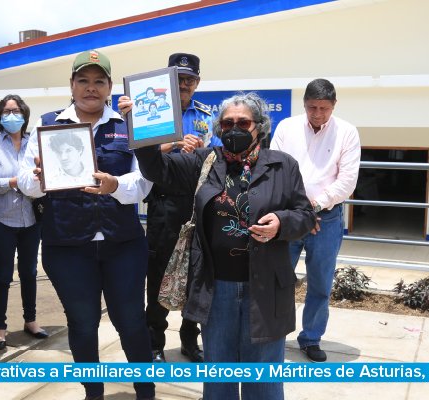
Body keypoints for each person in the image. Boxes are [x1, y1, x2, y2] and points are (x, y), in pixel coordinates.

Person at [136, 92, 315, 399]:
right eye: (227, 123)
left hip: (266, 289)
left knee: (265, 378)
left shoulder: (283, 166)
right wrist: (142, 126)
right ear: (218, 128)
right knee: (219, 376)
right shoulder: (203, 161)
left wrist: (281, 223)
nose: (234, 129)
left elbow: (305, 216)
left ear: (259, 126)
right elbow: (156, 169)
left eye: (242, 122)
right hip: (215, 289)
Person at [17, 49, 155, 400]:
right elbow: (26, 183)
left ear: (110, 86)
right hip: (67, 245)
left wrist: (115, 186)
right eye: (83, 80)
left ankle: (145, 390)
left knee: (131, 321)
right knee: (81, 323)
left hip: (122, 243)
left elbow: (144, 181)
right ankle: (92, 392)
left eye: (99, 81)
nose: (90, 88)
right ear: (72, 84)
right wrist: (39, 176)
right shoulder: (48, 125)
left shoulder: (128, 125)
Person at [118, 52, 218, 364]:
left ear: (197, 82)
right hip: (164, 203)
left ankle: (190, 338)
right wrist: (173, 145)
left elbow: (218, 155)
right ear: (168, 81)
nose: (184, 84)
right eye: (179, 79)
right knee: (159, 274)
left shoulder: (207, 117)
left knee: (196, 274)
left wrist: (201, 151)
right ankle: (155, 341)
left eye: (189, 79)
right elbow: (137, 153)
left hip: (198, 203)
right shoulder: (153, 111)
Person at [271, 78, 361, 362]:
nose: (318, 113)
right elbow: (275, 169)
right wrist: (301, 212)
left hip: (328, 217)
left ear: (334, 105)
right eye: (312, 107)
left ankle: (310, 338)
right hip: (291, 216)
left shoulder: (347, 132)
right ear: (304, 104)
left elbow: (347, 181)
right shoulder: (287, 127)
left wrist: (316, 207)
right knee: (278, 279)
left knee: (321, 283)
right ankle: (273, 336)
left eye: (324, 108)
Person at [0, 94, 46, 351]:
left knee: (29, 272)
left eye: (16, 111)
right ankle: (0, 327)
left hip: (31, 219)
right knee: (3, 275)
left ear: (25, 115)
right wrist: (13, 182)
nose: (11, 116)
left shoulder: (33, 144)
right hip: (1, 220)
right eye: (6, 112)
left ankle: (31, 320)